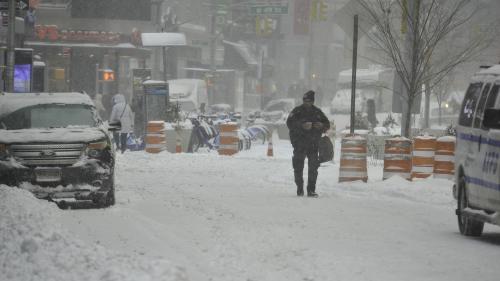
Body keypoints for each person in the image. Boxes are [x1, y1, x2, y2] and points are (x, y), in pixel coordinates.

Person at [286, 90, 330, 197]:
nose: (307, 103)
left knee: (313, 168)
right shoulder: (297, 111)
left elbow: (327, 124)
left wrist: (322, 126)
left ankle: (311, 190)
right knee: (298, 167)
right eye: (305, 101)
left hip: (313, 145)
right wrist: (302, 125)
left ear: (313, 101)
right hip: (299, 144)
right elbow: (289, 123)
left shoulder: (317, 112)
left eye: (309, 101)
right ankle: (299, 188)